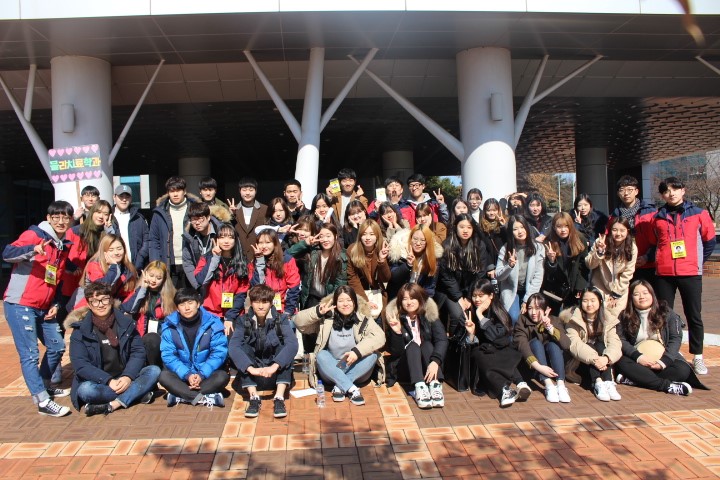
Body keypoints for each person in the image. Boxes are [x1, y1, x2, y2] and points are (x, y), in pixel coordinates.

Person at [3, 201, 76, 417]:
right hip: (21, 304)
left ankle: (44, 386)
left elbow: (56, 280)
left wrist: (56, 303)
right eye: (57, 217)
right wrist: (31, 249)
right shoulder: (34, 235)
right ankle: (42, 400)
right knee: (30, 355)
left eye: (65, 217)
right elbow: (7, 253)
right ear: (49, 218)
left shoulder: (63, 246)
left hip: (45, 308)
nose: (61, 221)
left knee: (57, 346)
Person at [650, 176, 716, 375]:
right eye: (666, 191)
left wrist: (697, 262)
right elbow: (655, 242)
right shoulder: (657, 217)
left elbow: (710, 241)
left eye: (675, 189)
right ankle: (666, 354)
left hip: (690, 272)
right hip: (664, 272)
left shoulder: (699, 214)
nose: (671, 193)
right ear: (663, 195)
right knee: (663, 315)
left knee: (694, 314)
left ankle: (698, 357)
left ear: (683, 190)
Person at [68, 282, 160, 416]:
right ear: (89, 304)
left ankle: (113, 404)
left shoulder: (126, 323)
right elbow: (81, 365)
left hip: (125, 376)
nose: (100, 304)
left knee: (154, 371)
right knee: (85, 390)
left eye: (104, 299)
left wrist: (128, 376)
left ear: (111, 300)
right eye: (95, 301)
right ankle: (136, 394)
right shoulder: (80, 332)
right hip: (99, 382)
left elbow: (138, 352)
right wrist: (108, 380)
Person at [615, 280, 708, 396]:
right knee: (621, 362)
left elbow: (675, 338)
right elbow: (621, 339)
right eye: (636, 294)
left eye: (645, 293)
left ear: (652, 294)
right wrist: (638, 357)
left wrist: (664, 361)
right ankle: (667, 386)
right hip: (638, 362)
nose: (642, 297)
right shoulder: (625, 316)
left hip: (662, 362)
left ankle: (637, 380)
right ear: (631, 298)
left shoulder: (666, 312)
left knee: (682, 370)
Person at [295, 286, 385, 405]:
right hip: (330, 367)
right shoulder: (326, 319)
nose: (345, 304)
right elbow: (298, 322)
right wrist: (318, 312)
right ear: (335, 303)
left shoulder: (363, 319)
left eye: (349, 300)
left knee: (373, 355)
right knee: (321, 355)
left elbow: (380, 337)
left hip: (355, 367)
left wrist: (357, 352)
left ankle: (340, 385)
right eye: (341, 301)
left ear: (354, 302)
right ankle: (352, 389)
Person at [228, 284, 298, 418]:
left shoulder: (281, 319)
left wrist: (275, 366)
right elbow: (233, 347)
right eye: (256, 302)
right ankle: (254, 397)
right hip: (253, 374)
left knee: (285, 348)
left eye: (265, 302)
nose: (260, 306)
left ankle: (279, 398)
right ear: (251, 303)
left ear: (271, 303)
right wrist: (250, 368)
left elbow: (292, 344)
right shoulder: (243, 321)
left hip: (275, 373)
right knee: (243, 348)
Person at [463, 279, 530, 407]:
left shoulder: (498, 312)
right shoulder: (469, 313)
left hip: (498, 348)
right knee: (484, 355)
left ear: (491, 296)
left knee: (503, 349)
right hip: (480, 351)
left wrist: (480, 315)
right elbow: (469, 344)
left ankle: (518, 384)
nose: (477, 299)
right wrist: (471, 334)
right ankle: (506, 389)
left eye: (481, 296)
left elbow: (496, 337)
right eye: (474, 295)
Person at [159, 288, 229, 407]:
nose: (187, 308)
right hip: (182, 376)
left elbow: (219, 353)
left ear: (198, 304)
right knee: (164, 376)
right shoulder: (169, 326)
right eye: (182, 304)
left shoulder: (213, 323)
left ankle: (181, 396)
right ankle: (202, 397)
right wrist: (187, 375)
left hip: (206, 375)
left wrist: (201, 375)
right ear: (177, 308)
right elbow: (168, 355)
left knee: (222, 377)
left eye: (190, 303)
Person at [384, 283, 447, 408]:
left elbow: (442, 340)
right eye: (405, 299)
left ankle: (434, 385)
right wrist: (397, 332)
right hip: (406, 367)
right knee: (412, 346)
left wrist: (435, 362)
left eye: (412, 298)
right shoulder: (395, 318)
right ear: (400, 301)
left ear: (420, 299)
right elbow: (396, 352)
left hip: (428, 367)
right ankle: (420, 388)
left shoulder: (429, 315)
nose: (409, 302)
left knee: (427, 345)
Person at [565, 288, 622, 402]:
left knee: (601, 345)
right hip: (580, 363)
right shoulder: (572, 320)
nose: (589, 304)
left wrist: (606, 358)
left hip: (602, 363)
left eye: (593, 300)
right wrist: (595, 360)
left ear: (600, 301)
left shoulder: (608, 319)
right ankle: (598, 383)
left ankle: (608, 382)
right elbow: (574, 345)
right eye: (585, 301)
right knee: (589, 345)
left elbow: (615, 343)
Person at [513, 293, 571, 403]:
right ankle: (549, 385)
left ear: (546, 310)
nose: (533, 312)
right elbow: (521, 345)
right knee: (535, 343)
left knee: (553, 345)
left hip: (552, 366)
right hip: (532, 366)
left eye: (538, 308)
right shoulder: (522, 320)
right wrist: (539, 367)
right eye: (530, 308)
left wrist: (549, 327)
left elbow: (567, 344)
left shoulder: (554, 320)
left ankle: (560, 385)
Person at [194, 224, 250, 335]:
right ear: (216, 240)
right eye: (222, 237)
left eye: (230, 237)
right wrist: (215, 258)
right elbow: (201, 280)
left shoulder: (242, 262)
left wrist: (230, 317)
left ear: (236, 240)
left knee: (232, 339)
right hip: (210, 312)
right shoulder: (206, 258)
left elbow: (241, 294)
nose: (226, 241)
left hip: (234, 313)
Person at [436, 213, 488, 333]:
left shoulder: (479, 245)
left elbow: (480, 273)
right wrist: (459, 297)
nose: (465, 230)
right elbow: (446, 276)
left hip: (471, 289)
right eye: (462, 227)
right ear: (455, 227)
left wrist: (470, 297)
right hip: (450, 290)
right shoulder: (447, 246)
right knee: (458, 315)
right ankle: (453, 341)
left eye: (469, 227)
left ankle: (470, 340)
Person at [121, 260, 177, 367]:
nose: (154, 280)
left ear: (164, 279)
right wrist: (143, 288)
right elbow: (128, 309)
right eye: (151, 276)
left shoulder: (171, 296)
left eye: (158, 278)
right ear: (145, 274)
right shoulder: (138, 291)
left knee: (154, 340)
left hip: (162, 336)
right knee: (150, 339)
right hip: (141, 335)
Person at [149, 176, 201, 288]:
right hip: (168, 264)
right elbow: (153, 240)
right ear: (168, 193)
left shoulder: (195, 210)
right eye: (172, 191)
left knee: (190, 296)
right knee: (169, 297)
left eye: (178, 190)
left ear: (185, 191)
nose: (175, 194)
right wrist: (155, 263)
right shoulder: (159, 213)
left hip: (191, 263)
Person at [495, 215, 545, 325]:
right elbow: (498, 276)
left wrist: (527, 300)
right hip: (511, 290)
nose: (520, 231)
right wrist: (509, 266)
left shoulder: (538, 248)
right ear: (511, 232)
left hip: (530, 290)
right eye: (515, 229)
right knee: (514, 317)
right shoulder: (506, 249)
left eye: (522, 227)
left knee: (530, 318)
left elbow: (538, 277)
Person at [606, 175, 657, 285]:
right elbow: (609, 239)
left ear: (636, 191)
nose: (626, 193)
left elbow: (658, 239)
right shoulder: (614, 217)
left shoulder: (651, 212)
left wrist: (648, 257)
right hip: (623, 266)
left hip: (648, 265)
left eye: (630, 190)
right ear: (618, 193)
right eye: (622, 190)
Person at [286, 223, 348, 310]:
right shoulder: (312, 251)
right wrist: (305, 243)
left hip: (328, 301)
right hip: (309, 299)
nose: (325, 240)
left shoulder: (340, 257)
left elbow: (339, 286)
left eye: (328, 236)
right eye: (321, 236)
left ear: (335, 236)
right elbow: (287, 255)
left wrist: (329, 303)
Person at [585, 218, 637, 316]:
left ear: (627, 231)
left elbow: (628, 272)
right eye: (614, 230)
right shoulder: (601, 241)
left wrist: (616, 294)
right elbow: (589, 264)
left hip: (619, 288)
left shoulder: (632, 247)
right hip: (600, 285)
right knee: (597, 317)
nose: (618, 234)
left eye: (622, 230)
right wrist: (600, 252)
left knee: (615, 319)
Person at [542, 212, 590, 312]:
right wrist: (551, 261)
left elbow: (583, 265)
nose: (563, 230)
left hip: (574, 286)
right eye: (559, 227)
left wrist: (580, 286)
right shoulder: (548, 242)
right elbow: (547, 273)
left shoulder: (580, 239)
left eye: (566, 226)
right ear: (554, 227)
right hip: (555, 289)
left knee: (573, 316)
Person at [74, 234, 137, 308]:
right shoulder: (94, 265)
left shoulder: (127, 268)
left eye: (119, 249)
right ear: (104, 252)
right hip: (88, 307)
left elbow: (128, 293)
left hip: (110, 307)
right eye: (111, 250)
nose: (116, 253)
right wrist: (114, 268)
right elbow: (100, 288)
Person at [345, 219, 391, 319]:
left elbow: (386, 278)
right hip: (360, 293)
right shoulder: (352, 250)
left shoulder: (383, 248)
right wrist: (365, 301)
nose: (367, 238)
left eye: (371, 234)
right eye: (364, 234)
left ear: (377, 236)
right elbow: (352, 278)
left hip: (379, 293)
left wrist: (382, 261)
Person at [250, 229, 302, 316]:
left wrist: (288, 311)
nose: (264, 246)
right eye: (260, 243)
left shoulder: (287, 260)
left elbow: (294, 287)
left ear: (275, 243)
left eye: (268, 242)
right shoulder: (254, 263)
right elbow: (257, 288)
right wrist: (260, 261)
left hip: (284, 309)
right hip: (263, 311)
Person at [387, 224, 442, 300]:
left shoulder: (433, 257)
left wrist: (423, 302)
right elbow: (394, 278)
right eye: (415, 239)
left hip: (417, 298)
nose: (418, 243)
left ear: (427, 242)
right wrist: (407, 265)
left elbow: (429, 288)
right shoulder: (399, 251)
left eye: (422, 240)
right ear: (410, 238)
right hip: (398, 296)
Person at [182, 202, 228, 290]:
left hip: (220, 282)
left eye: (200, 219)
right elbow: (188, 263)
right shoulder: (189, 236)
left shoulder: (221, 232)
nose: (197, 223)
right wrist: (197, 285)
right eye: (193, 220)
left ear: (208, 217)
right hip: (199, 282)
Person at [228, 177, 268, 261]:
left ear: (256, 191)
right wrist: (231, 215)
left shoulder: (264, 209)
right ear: (239, 191)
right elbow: (228, 231)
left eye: (251, 190)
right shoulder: (234, 209)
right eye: (244, 190)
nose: (247, 193)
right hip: (238, 256)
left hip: (258, 254)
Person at [112, 184, 149, 271]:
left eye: (127, 196)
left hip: (136, 266)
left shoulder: (139, 218)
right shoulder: (108, 217)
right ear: (114, 197)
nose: (124, 199)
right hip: (114, 267)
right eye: (121, 196)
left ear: (131, 198)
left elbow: (147, 240)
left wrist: (140, 258)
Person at [479, 198, 507, 279]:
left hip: (503, 261)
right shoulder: (481, 227)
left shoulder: (504, 223)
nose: (491, 213)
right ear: (484, 211)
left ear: (499, 211)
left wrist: (504, 226)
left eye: (494, 210)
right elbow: (483, 248)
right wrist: (490, 267)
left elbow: (509, 241)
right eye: (488, 210)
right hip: (489, 264)